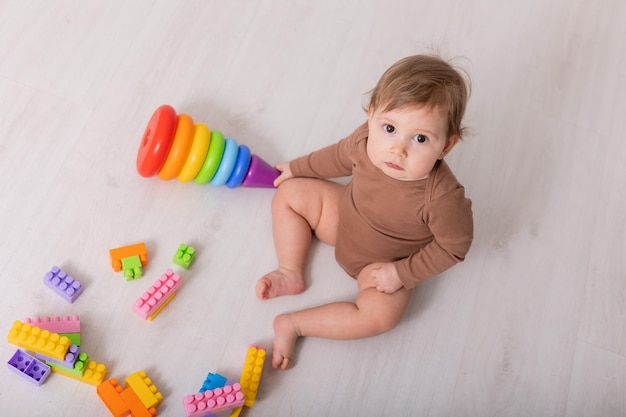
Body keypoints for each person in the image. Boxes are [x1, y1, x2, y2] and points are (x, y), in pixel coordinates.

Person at [256, 54, 474, 370]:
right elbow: (337, 158)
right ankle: (290, 271)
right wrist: (295, 167)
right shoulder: (365, 141)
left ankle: (295, 324)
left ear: (446, 146)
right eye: (389, 127)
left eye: (421, 138)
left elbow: (455, 246)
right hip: (344, 218)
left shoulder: (442, 197)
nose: (398, 149)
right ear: (371, 116)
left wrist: (402, 273)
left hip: (384, 262)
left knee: (381, 316)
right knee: (290, 193)